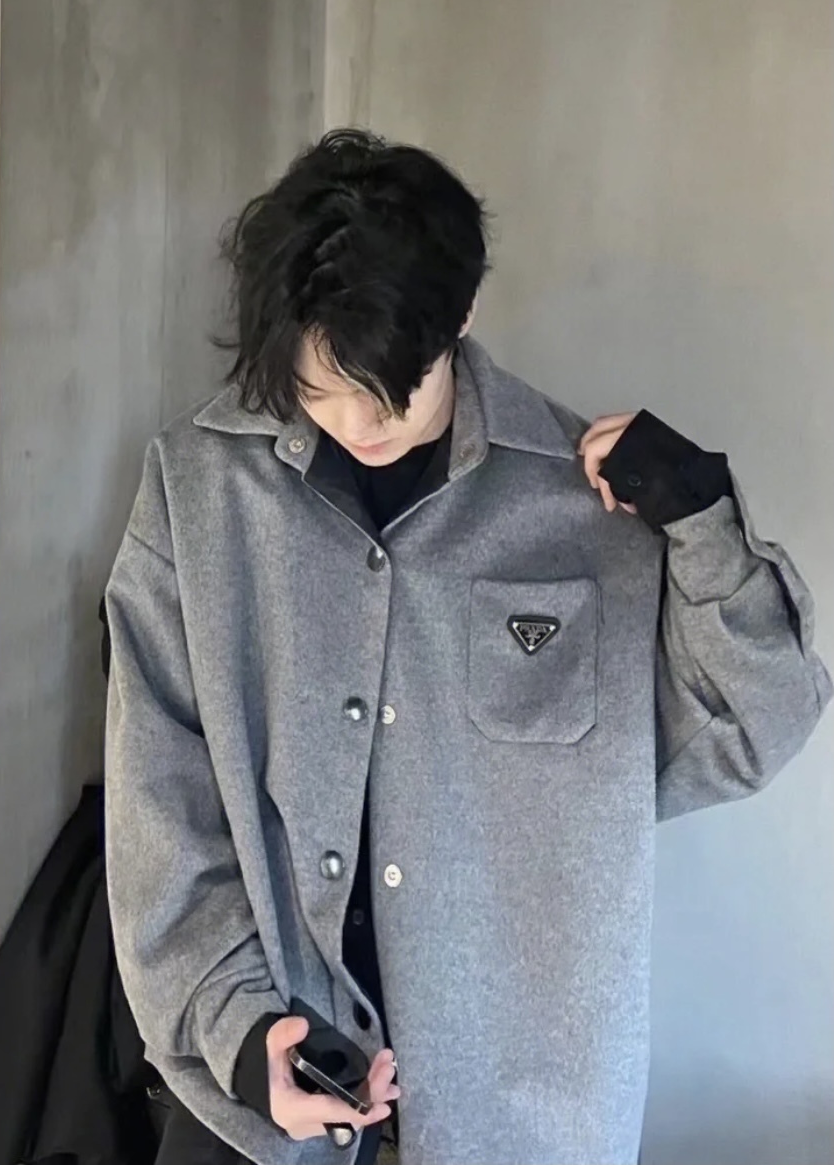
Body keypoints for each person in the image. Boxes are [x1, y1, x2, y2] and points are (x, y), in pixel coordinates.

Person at [102, 129, 831, 1165]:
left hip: (517, 1115)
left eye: (389, 389)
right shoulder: (197, 491)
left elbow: (758, 725)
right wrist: (236, 1029)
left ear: (463, 316)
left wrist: (705, 525)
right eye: (320, 388)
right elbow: (158, 795)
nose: (358, 421)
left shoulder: (589, 510)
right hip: (269, 1101)